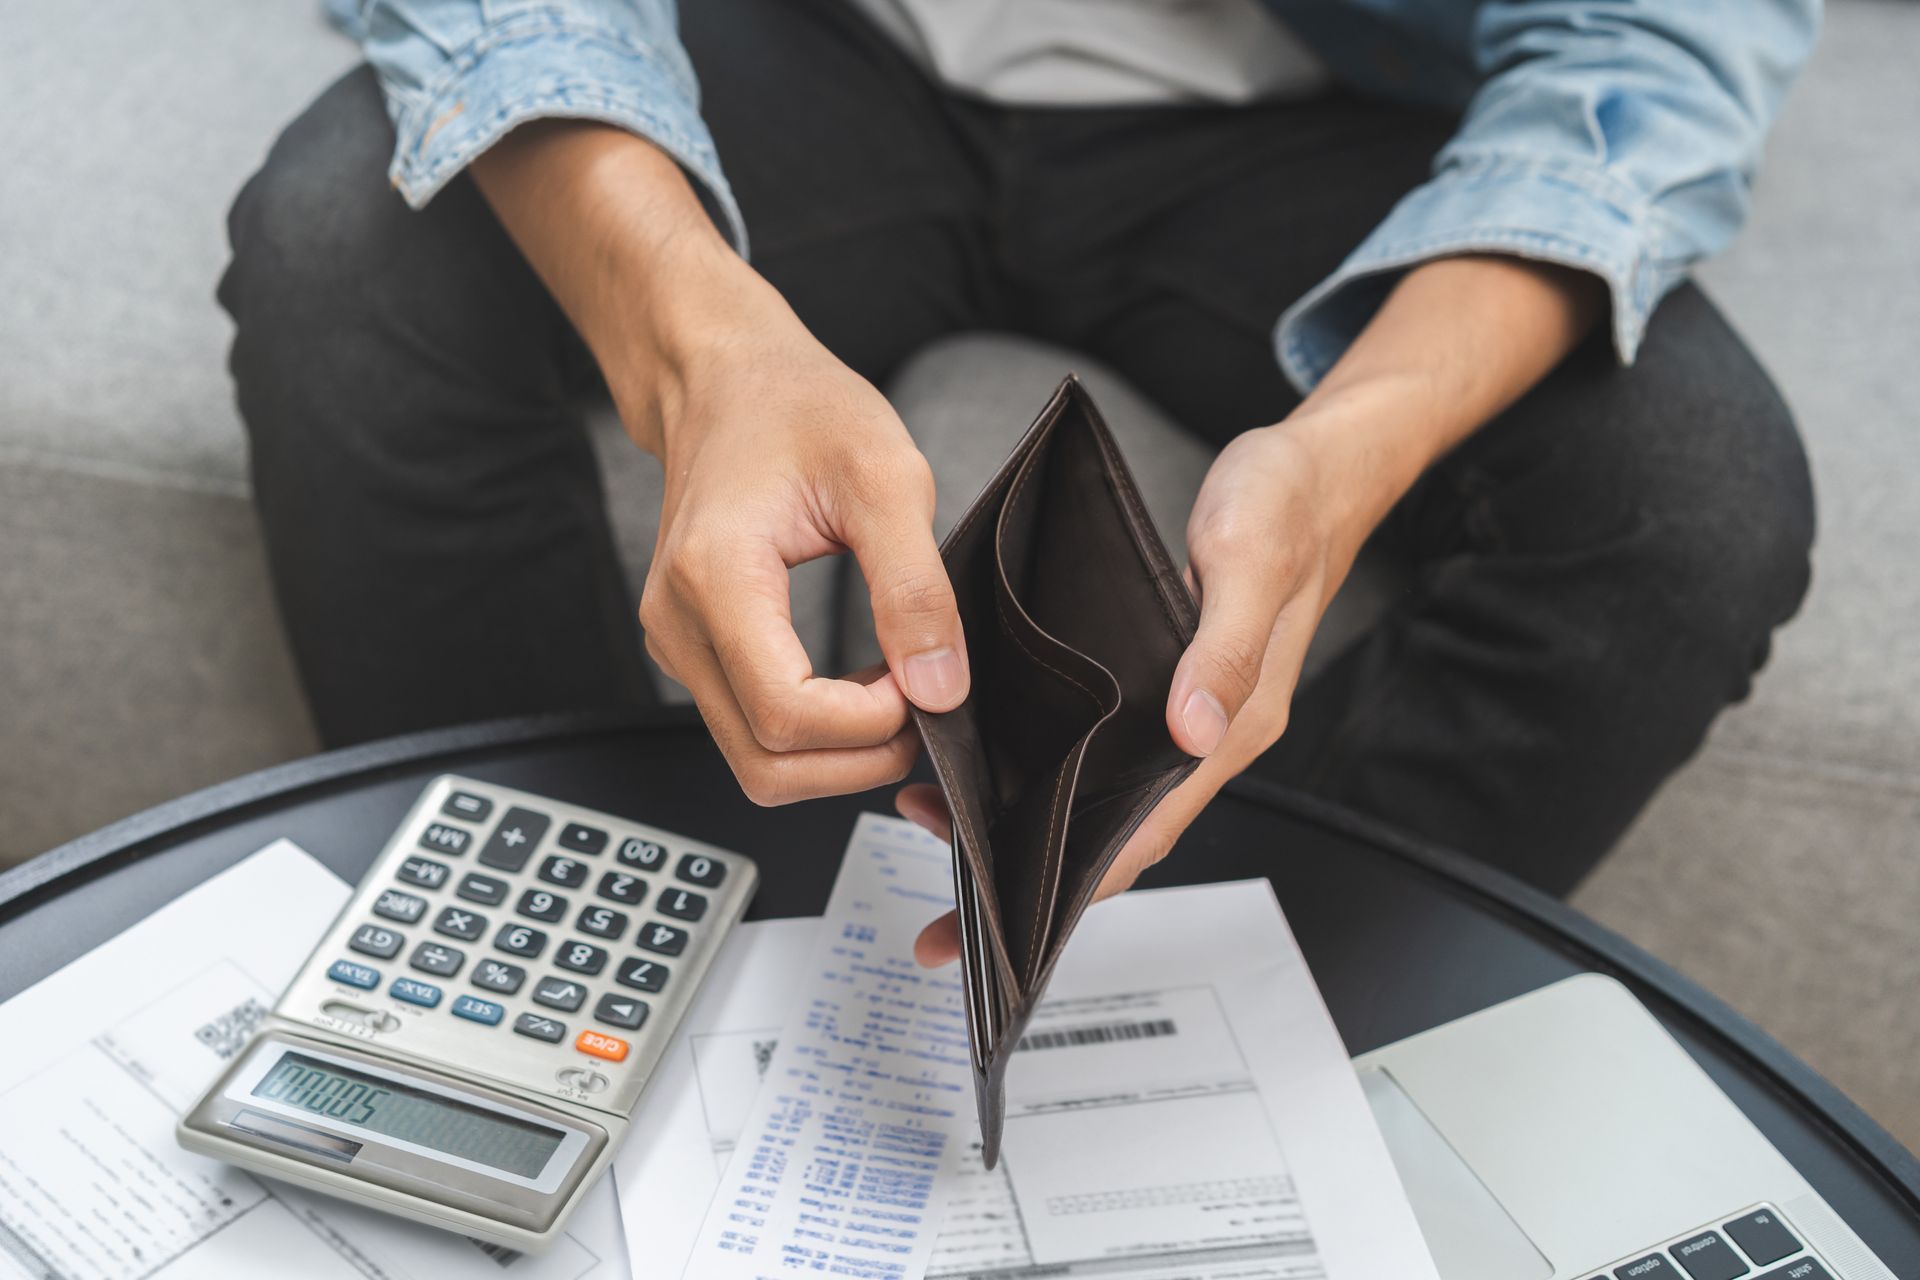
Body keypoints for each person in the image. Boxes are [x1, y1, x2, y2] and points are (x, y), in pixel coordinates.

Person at [223, 0, 1818, 958]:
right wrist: (702, 346)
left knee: (1691, 500)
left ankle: (1198, 1062)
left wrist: (1348, 459)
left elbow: (1656, 50)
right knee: (341, 251)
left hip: (1340, 113)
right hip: (811, 44)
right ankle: (539, 952)